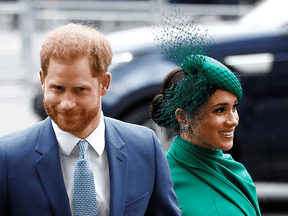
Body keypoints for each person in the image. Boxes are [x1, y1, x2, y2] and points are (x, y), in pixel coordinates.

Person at [0, 23, 181, 216]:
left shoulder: (145, 147)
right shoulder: (8, 156)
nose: (66, 103)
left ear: (104, 84)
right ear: (43, 81)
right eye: (57, 88)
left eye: (80, 90)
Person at [151, 54, 261, 215]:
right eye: (220, 110)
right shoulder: (162, 181)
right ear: (183, 116)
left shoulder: (236, 170)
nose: (233, 120)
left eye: (234, 107)